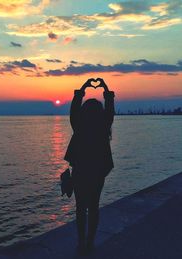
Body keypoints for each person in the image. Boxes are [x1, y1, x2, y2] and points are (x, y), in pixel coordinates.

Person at [64, 78, 115, 255]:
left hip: (80, 172)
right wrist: (105, 89)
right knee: (93, 207)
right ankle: (90, 242)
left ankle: (81, 242)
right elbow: (110, 109)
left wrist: (83, 88)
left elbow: (74, 109)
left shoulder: (79, 126)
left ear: (84, 112)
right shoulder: (103, 126)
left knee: (80, 208)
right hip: (98, 172)